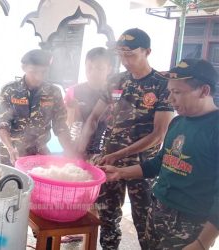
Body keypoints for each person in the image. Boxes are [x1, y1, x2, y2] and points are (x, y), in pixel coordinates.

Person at [102, 58, 219, 250]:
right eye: (170, 91)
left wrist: (202, 243)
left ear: (204, 91)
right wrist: (120, 172)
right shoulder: (178, 122)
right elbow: (159, 163)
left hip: (189, 225)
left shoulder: (214, 129)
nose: (170, 99)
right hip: (157, 212)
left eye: (177, 92)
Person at [76, 28, 174, 249]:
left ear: (147, 51)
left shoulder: (162, 84)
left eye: (130, 54)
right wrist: (80, 146)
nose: (125, 60)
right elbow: (93, 117)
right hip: (109, 163)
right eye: (121, 54)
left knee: (145, 222)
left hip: (143, 167)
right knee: (107, 219)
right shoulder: (116, 81)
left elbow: (158, 134)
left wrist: (118, 154)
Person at [0, 49, 75, 166]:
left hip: (39, 154)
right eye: (34, 72)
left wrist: (71, 152)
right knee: (12, 183)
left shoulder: (53, 92)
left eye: (43, 72)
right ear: (24, 68)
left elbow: (60, 127)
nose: (38, 77)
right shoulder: (9, 90)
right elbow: (2, 124)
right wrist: (10, 148)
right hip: (11, 154)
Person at [64, 47, 113, 158]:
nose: (93, 72)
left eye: (99, 68)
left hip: (105, 152)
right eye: (89, 68)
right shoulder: (73, 91)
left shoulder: (115, 93)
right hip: (76, 150)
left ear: (109, 69)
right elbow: (68, 123)